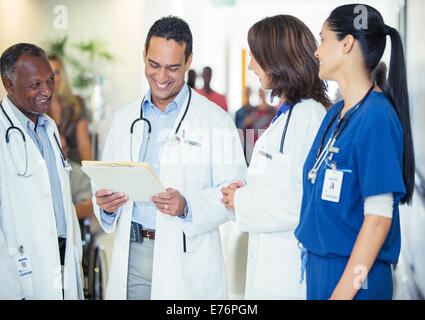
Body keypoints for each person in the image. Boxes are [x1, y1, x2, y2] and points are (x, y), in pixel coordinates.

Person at [92, 16, 246, 300]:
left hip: (186, 256)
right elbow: (104, 182)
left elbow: (234, 193)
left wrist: (188, 205)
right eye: (154, 65)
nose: (161, 77)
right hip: (132, 253)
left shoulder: (216, 120)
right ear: (143, 55)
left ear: (189, 62)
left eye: (173, 68)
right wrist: (107, 205)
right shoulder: (125, 118)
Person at [294, 4, 414, 300]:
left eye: (322, 39)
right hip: (322, 270)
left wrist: (344, 292)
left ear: (347, 44)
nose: (317, 51)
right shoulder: (336, 113)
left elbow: (377, 221)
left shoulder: (377, 118)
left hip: (357, 280)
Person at [220, 15, 330, 299]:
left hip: (288, 276)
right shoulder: (290, 114)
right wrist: (246, 193)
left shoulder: (307, 117)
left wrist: (240, 200)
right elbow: (284, 184)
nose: (250, 66)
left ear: (277, 59)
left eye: (256, 57)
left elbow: (302, 203)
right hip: (272, 267)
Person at [0, 43, 83, 299]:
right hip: (19, 268)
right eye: (35, 85)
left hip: (60, 256)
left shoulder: (49, 128)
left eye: (50, 80)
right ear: (9, 85)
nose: (47, 91)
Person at [47, 53, 92, 163]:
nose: (53, 78)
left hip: (74, 168)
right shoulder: (35, 108)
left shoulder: (77, 104)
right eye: (48, 73)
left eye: (56, 72)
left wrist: (90, 176)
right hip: (48, 168)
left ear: (62, 76)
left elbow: (84, 145)